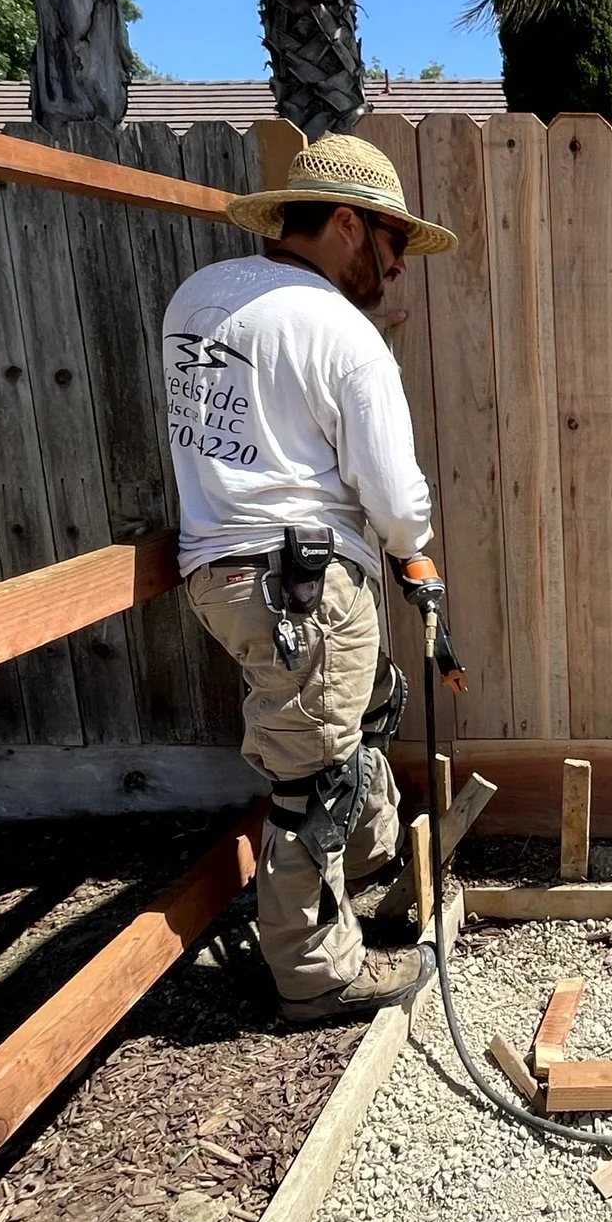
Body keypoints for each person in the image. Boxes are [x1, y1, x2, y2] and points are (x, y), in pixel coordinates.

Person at [161, 133, 457, 1025]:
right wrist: (416, 549)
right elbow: (397, 501)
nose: (400, 266)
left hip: (223, 572)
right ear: (343, 224)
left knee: (360, 714)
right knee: (313, 780)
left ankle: (353, 868)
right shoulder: (340, 332)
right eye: (393, 241)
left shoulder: (201, 299)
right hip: (305, 584)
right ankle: (317, 972)